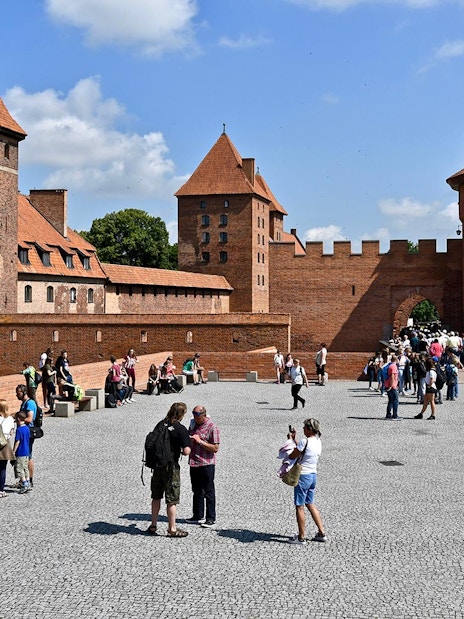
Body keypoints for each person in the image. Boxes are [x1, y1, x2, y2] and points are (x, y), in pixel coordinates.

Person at [147, 402, 191, 538]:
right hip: (171, 466)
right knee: (171, 499)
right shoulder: (180, 429)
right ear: (182, 414)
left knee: (156, 496)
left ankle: (153, 524)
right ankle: (172, 528)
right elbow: (186, 451)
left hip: (157, 466)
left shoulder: (161, 424)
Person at [286, 418, 326, 544]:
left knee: (299, 506)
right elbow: (303, 450)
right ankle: (321, 532)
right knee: (310, 503)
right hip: (313, 475)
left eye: (304, 427)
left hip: (303, 475)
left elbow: (293, 455)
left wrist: (289, 442)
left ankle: (301, 537)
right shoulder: (317, 441)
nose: (303, 428)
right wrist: (294, 439)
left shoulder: (305, 441)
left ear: (309, 429)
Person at [186, 405, 220, 528]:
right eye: (193, 414)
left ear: (204, 415)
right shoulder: (193, 424)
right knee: (196, 490)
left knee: (208, 491)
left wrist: (200, 441)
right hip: (194, 462)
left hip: (207, 464)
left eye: (197, 414)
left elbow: (215, 448)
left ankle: (210, 518)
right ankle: (197, 515)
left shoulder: (212, 427)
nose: (194, 417)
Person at [15, 384, 37, 487]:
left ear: (23, 392)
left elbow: (30, 418)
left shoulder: (30, 403)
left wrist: (18, 419)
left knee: (28, 456)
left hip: (28, 433)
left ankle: (29, 480)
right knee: (26, 456)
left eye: (18, 393)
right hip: (24, 432)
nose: (16, 395)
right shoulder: (24, 403)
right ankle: (25, 479)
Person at [0, 399, 15, 497]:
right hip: (4, 445)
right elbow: (11, 432)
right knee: (2, 469)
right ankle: (1, 490)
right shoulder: (10, 419)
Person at [13, 411, 31, 494]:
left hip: (20, 452)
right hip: (27, 451)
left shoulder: (19, 430)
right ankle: (28, 482)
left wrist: (13, 451)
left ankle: (24, 484)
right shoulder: (27, 428)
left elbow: (17, 441)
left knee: (19, 468)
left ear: (18, 419)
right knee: (25, 468)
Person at [384, 354, 400, 420]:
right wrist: (392, 385)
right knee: (395, 400)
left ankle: (388, 414)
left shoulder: (390, 365)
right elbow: (392, 377)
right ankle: (395, 415)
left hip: (387, 384)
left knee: (390, 400)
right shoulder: (394, 366)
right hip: (392, 386)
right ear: (396, 360)